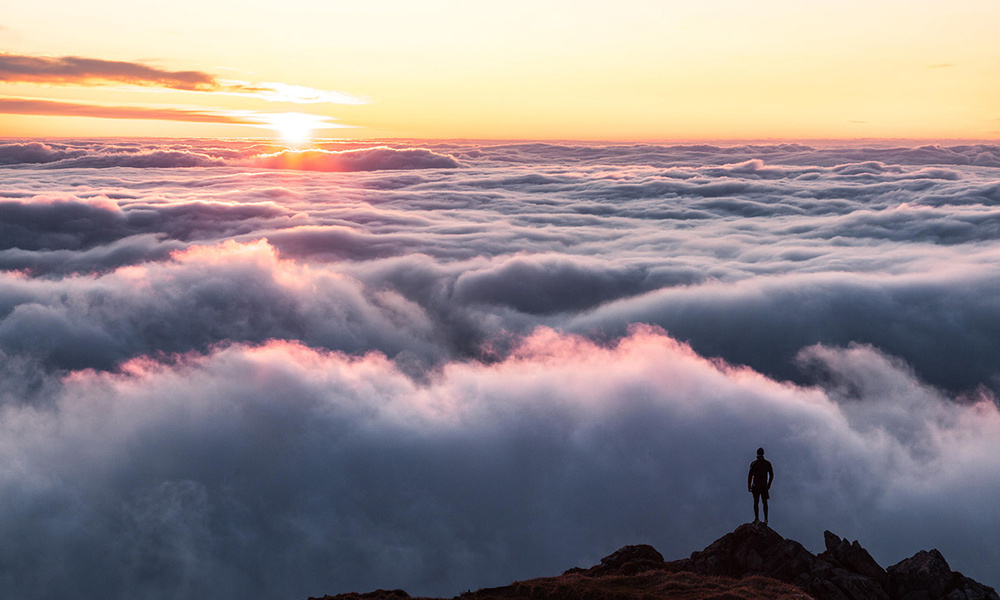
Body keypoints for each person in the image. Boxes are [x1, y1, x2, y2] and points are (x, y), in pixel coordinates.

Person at [747, 447, 773, 525]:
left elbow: (750, 475)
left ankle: (757, 518)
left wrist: (749, 485)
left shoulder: (754, 463)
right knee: (764, 503)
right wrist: (769, 485)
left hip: (756, 486)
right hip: (764, 486)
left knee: (756, 502)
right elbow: (771, 475)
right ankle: (766, 519)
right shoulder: (767, 463)